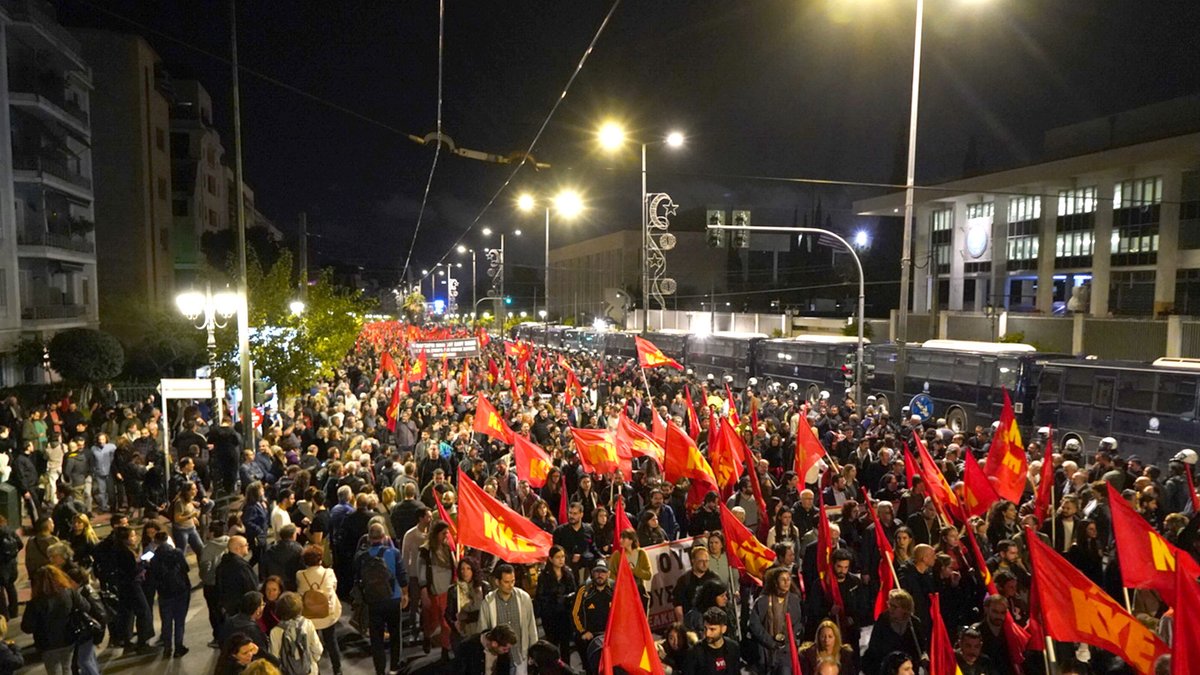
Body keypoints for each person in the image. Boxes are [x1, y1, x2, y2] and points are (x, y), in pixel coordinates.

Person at [21, 565, 99, 675]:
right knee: (67, 667)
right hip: (68, 638)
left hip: (47, 643)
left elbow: (27, 627)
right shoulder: (69, 593)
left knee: (53, 670)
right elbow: (86, 606)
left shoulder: (36, 603)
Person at [354, 522, 409, 675]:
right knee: (395, 634)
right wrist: (405, 594)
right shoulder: (394, 553)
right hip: (393, 598)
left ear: (369, 538)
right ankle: (394, 666)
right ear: (384, 537)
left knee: (376, 637)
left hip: (373, 600)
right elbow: (402, 576)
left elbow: (358, 578)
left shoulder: (361, 557)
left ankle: (379, 669)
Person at [480, 563, 539, 675]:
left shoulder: (524, 598)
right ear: (497, 582)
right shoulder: (488, 603)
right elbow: (483, 631)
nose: (511, 585)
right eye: (506, 582)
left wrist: (534, 651)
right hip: (498, 657)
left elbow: (531, 626)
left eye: (513, 581)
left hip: (520, 654)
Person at [749, 566, 805, 673]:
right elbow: (754, 625)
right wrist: (770, 641)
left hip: (786, 650)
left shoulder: (794, 600)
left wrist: (789, 637)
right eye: (782, 579)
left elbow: (798, 622)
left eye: (788, 579)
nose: (786, 582)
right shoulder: (763, 601)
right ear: (775, 582)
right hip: (766, 649)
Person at [296, 546, 342, 675]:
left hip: (309, 616)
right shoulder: (329, 573)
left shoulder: (300, 575)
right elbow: (334, 587)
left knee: (311, 644)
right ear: (320, 559)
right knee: (332, 641)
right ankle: (337, 669)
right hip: (328, 615)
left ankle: (315, 671)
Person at [148, 530, 192, 658]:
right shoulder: (177, 552)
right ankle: (179, 647)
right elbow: (186, 568)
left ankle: (167, 648)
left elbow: (152, 575)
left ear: (156, 542)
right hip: (181, 590)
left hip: (164, 593)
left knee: (166, 622)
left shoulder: (154, 556)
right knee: (179, 621)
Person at [417, 519, 456, 657]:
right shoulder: (425, 551)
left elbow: (454, 566)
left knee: (446, 623)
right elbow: (421, 571)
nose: (446, 535)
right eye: (444, 533)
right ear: (436, 533)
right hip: (432, 591)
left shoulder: (447, 548)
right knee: (431, 621)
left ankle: (445, 648)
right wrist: (424, 589)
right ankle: (427, 638)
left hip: (446, 591)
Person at [862, 590, 923, 675]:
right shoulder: (883, 620)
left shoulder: (914, 623)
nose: (890, 609)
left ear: (905, 608)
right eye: (889, 604)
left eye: (894, 606)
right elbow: (874, 647)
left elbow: (920, 648)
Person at [534, 545, 577, 661]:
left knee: (565, 646)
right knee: (552, 646)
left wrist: (567, 598)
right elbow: (540, 596)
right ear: (551, 559)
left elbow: (574, 591)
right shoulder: (544, 576)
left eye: (563, 557)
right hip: (550, 615)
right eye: (558, 557)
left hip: (565, 614)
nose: (561, 560)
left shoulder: (568, 573)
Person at [268, 592, 323, 675]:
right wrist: (311, 661)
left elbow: (274, 657)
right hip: (309, 670)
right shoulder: (307, 624)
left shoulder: (275, 631)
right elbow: (318, 649)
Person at [445, 556, 490, 653]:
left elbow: (487, 612)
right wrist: (454, 625)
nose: (465, 572)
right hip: (461, 633)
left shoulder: (484, 587)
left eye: (468, 568)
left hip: (479, 631)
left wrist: (468, 617)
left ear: (473, 570)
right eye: (462, 569)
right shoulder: (453, 590)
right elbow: (448, 613)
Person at [570, 560, 614, 659]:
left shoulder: (615, 589)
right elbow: (575, 613)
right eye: (597, 572)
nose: (600, 575)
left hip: (611, 635)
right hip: (590, 636)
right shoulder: (584, 590)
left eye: (603, 572)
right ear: (592, 573)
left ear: (608, 574)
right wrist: (583, 632)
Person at [684, 606, 741, 675]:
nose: (707, 634)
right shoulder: (695, 652)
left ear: (723, 629)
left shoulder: (733, 647)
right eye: (705, 628)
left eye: (712, 629)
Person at [218, 536, 261, 617]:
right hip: (243, 609)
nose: (248, 546)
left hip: (230, 609)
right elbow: (252, 587)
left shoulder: (222, 565)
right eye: (246, 545)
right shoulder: (241, 567)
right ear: (238, 548)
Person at [450, 624, 517, 675]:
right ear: (494, 644)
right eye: (505, 649)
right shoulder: (467, 646)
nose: (507, 652)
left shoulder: (502, 647)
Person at [261, 524, 304, 592]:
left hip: (274, 583)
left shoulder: (270, 549)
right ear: (293, 535)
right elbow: (301, 568)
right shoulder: (298, 549)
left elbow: (263, 567)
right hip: (291, 584)